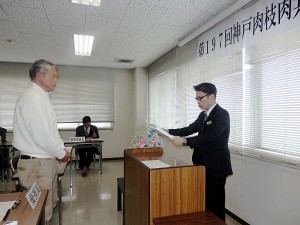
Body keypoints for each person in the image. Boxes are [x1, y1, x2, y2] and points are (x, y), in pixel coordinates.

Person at [12, 59, 71, 225]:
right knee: (40, 212)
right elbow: (42, 135)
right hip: (37, 164)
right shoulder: (32, 97)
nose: (56, 80)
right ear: (40, 76)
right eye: (53, 76)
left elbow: (52, 130)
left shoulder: (43, 97)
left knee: (49, 206)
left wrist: (62, 150)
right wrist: (61, 153)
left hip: (45, 161)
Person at [166, 82, 232, 221]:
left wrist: (185, 141)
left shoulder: (222, 114)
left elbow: (211, 136)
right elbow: (189, 129)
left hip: (216, 166)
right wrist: (166, 131)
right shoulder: (203, 115)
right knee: (205, 200)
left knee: (216, 202)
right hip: (202, 163)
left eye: (200, 98)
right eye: (196, 98)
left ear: (212, 97)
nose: (197, 101)